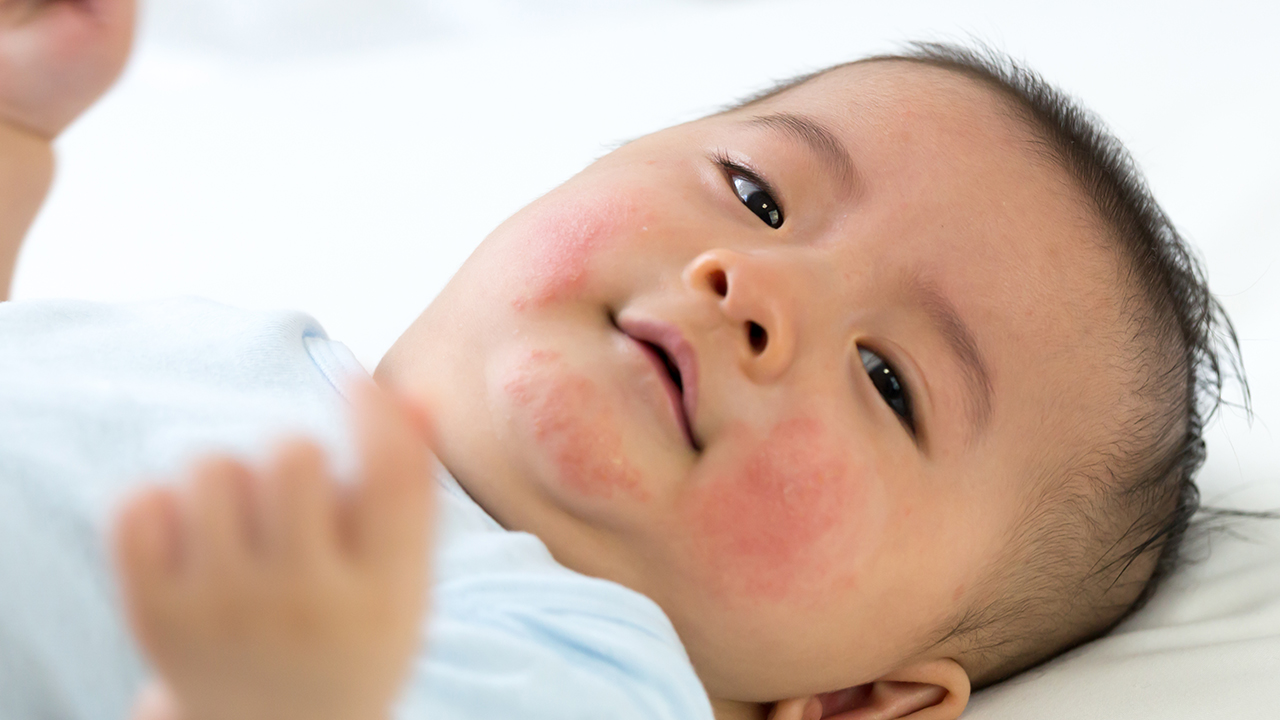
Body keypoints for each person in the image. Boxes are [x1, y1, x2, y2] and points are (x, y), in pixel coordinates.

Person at [0, 2, 1244, 719]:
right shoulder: (232, 344)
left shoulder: (587, 663)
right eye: (755, 194)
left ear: (859, 704)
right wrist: (18, 132)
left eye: (888, 381)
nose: (751, 288)